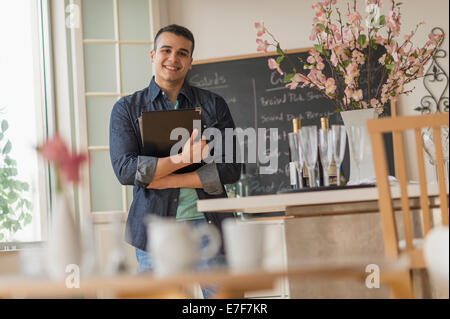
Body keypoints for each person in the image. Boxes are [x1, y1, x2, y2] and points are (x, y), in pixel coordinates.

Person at [109, 24, 241, 298]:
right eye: (166, 50)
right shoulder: (127, 109)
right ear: (152, 55)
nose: (173, 58)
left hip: (210, 226)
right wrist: (184, 158)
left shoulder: (214, 105)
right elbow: (125, 170)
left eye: (182, 53)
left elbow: (230, 168)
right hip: (154, 231)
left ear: (190, 61)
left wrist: (164, 178)